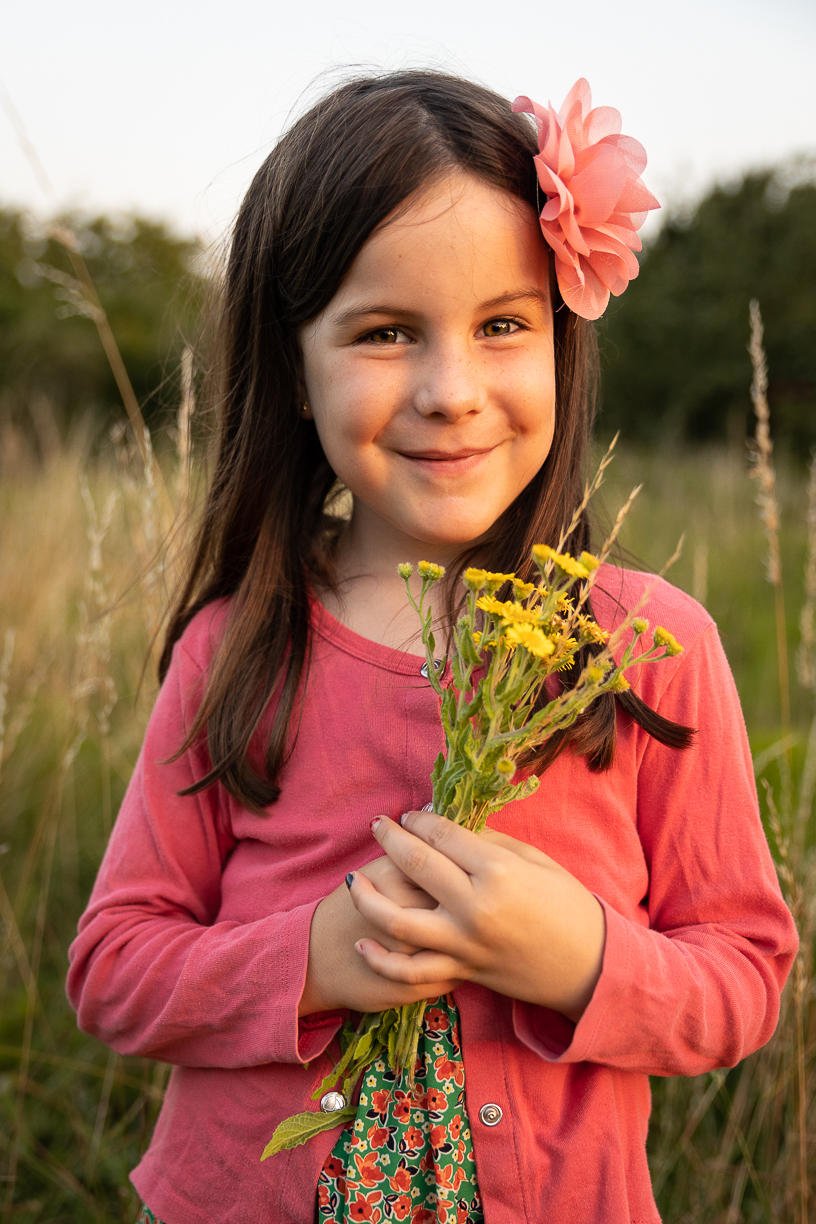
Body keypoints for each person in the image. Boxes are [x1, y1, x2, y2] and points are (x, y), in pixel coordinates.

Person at [67, 71, 797, 1224]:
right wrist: (313, 958)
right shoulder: (238, 645)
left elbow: (745, 980)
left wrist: (581, 958)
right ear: (294, 369)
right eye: (386, 332)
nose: (451, 391)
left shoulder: (646, 649)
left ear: (561, 340)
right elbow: (114, 970)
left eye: (503, 325)